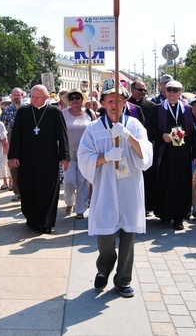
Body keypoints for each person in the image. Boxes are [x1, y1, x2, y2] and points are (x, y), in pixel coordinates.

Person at [78, 78, 153, 298]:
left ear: (125, 103)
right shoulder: (93, 129)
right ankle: (104, 268)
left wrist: (129, 138)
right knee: (105, 236)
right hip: (106, 188)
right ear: (102, 103)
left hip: (129, 188)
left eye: (119, 101)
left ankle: (123, 280)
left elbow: (145, 155)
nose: (114, 105)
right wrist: (105, 157)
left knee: (128, 236)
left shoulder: (135, 125)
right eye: (110, 100)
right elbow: (84, 158)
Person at [8, 84, 69, 233]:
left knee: (47, 190)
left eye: (37, 97)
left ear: (46, 98)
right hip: (27, 157)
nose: (34, 100)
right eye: (33, 96)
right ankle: (32, 219)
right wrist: (13, 155)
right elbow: (16, 135)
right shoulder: (23, 111)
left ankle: (45, 222)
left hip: (48, 158)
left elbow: (62, 136)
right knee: (28, 188)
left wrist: (65, 157)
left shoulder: (54, 112)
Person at [150, 80, 196, 230]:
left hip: (183, 153)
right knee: (166, 183)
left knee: (182, 184)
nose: (171, 93)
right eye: (169, 90)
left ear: (180, 92)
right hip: (165, 153)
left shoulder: (187, 109)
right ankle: (165, 214)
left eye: (175, 90)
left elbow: (192, 132)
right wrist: (162, 135)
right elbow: (149, 128)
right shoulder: (157, 109)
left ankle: (179, 217)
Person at [61, 89, 95, 219]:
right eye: (72, 98)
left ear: (82, 99)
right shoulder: (63, 114)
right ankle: (69, 202)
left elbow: (94, 130)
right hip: (68, 153)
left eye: (77, 97)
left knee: (83, 181)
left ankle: (80, 209)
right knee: (69, 181)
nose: (74, 100)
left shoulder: (89, 113)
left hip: (85, 153)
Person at [1, 87, 25, 201]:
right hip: (11, 137)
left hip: (27, 138)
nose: (16, 97)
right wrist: (4, 144)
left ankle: (27, 191)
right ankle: (17, 191)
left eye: (18, 95)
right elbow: (3, 126)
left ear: (22, 96)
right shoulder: (7, 110)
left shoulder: (27, 108)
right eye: (14, 95)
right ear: (11, 97)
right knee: (13, 166)